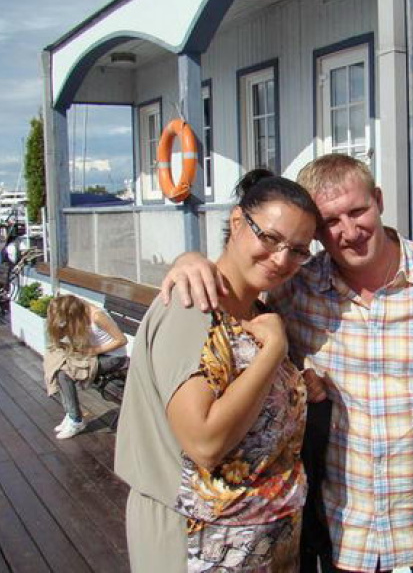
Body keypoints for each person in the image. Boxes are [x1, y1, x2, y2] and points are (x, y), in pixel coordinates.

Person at [161, 154, 413, 573]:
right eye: (330, 221)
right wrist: (190, 260)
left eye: (357, 211)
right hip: (348, 537)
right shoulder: (297, 286)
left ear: (378, 201)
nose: (349, 231)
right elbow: (241, 290)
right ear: (316, 232)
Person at [114, 169, 325, 572]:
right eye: (270, 238)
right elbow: (205, 441)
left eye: (298, 250)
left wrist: (299, 386)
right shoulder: (193, 306)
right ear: (237, 221)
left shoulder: (258, 312)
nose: (281, 259)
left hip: (263, 543)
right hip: (200, 543)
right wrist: (273, 353)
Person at [44, 294, 128, 439]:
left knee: (65, 374)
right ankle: (71, 414)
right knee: (57, 365)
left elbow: (122, 340)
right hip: (95, 355)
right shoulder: (77, 310)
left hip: (113, 358)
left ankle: (76, 420)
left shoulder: (97, 316)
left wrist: (93, 351)